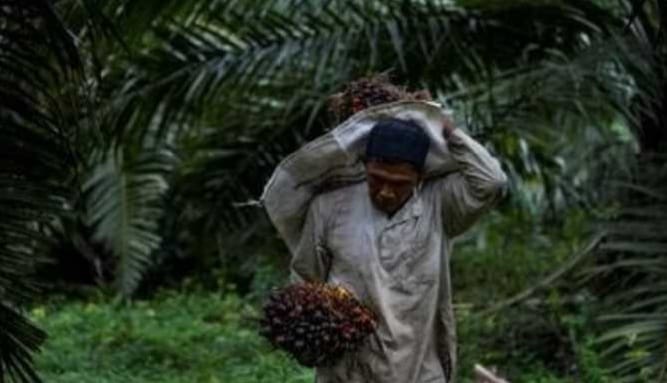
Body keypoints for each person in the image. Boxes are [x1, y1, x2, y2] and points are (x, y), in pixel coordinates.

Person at [266, 77, 508, 383]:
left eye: (399, 184)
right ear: (365, 167)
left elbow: (492, 182)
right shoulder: (329, 207)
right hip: (349, 370)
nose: (385, 192)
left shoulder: (439, 204)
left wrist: (448, 131)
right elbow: (305, 277)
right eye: (377, 179)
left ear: (420, 178)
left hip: (419, 369)